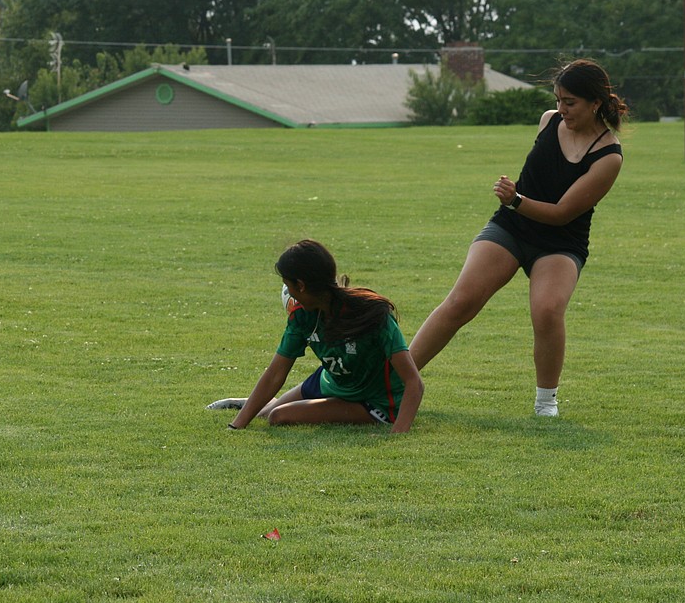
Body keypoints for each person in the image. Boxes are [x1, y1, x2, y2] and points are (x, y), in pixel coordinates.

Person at [408, 58, 626, 417]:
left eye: (570, 102)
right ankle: (399, 380)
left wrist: (516, 199)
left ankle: (546, 402)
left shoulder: (608, 156)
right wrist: (515, 205)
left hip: (560, 241)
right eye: (558, 99)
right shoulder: (548, 121)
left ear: (595, 103)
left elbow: (561, 213)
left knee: (547, 310)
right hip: (511, 227)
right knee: (461, 301)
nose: (561, 109)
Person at [207, 239, 422, 433]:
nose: (288, 293)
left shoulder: (372, 314)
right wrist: (236, 426)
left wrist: (399, 432)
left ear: (301, 285)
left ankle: (272, 405)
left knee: (279, 416)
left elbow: (414, 382)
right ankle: (255, 403)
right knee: (267, 412)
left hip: (374, 402)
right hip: (331, 380)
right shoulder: (302, 317)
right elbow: (275, 373)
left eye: (288, 285)